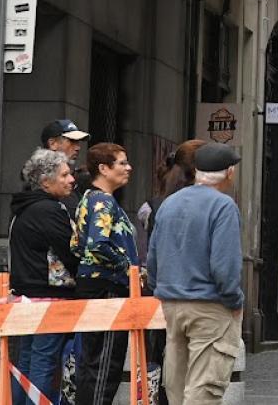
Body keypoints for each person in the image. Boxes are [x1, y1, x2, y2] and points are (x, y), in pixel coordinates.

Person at [147, 143, 244, 405]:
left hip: (172, 304)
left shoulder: (169, 203)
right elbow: (225, 266)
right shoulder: (223, 206)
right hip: (209, 305)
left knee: (177, 387)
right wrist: (234, 300)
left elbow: (153, 259)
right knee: (204, 389)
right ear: (229, 172)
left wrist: (161, 289)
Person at [9, 149, 79, 405]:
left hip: (28, 297)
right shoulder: (49, 210)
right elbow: (70, 251)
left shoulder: (24, 208)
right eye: (64, 175)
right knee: (44, 363)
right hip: (49, 298)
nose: (71, 179)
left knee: (27, 360)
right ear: (46, 182)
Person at [73, 142, 138, 405]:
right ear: (103, 168)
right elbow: (97, 245)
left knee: (91, 360)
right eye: (122, 163)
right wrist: (128, 267)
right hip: (108, 287)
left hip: (93, 284)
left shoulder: (87, 198)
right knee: (105, 363)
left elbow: (76, 245)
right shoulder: (103, 200)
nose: (128, 168)